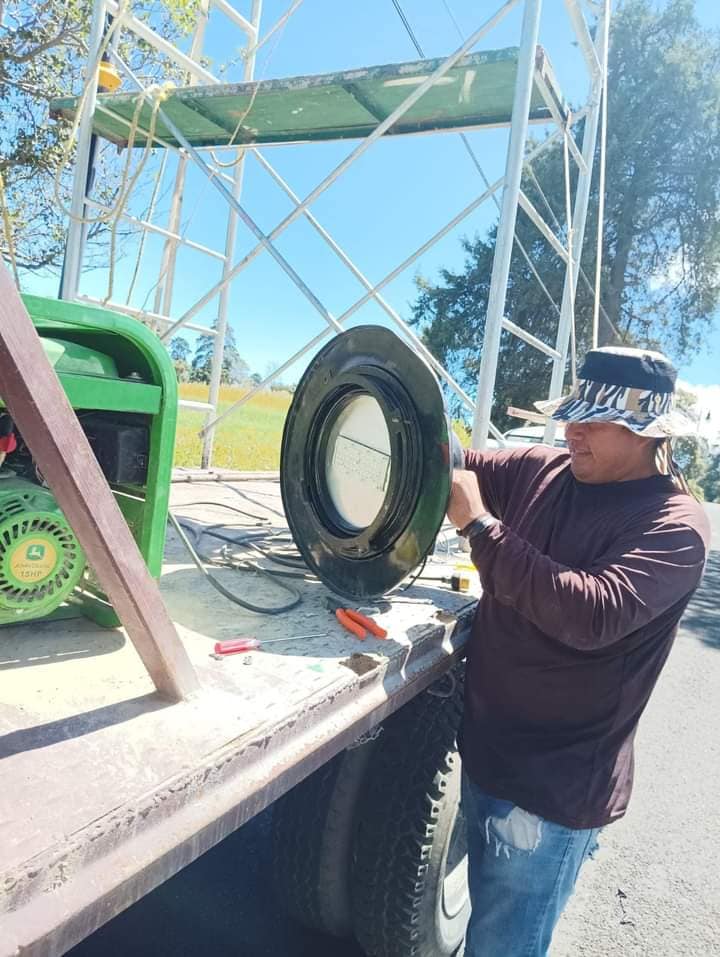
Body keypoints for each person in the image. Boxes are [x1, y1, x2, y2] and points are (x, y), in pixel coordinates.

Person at [447, 346, 710, 957]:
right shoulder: (546, 469)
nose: (573, 430)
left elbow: (590, 612)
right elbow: (458, 460)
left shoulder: (673, 526)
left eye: (594, 420)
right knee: (482, 925)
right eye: (572, 415)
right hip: (490, 753)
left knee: (504, 946)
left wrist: (481, 527)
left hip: (553, 791)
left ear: (646, 435)